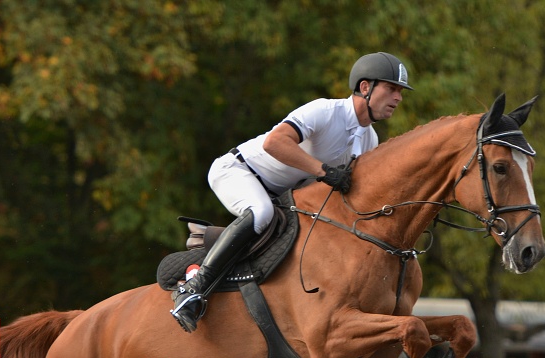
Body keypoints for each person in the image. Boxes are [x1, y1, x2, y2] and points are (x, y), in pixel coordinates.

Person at [171, 52, 414, 333]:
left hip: (282, 197)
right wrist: (323, 171)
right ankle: (193, 287)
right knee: (260, 212)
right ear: (365, 87)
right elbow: (275, 143)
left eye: (400, 91)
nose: (398, 97)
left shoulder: (369, 139)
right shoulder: (325, 111)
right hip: (239, 171)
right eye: (392, 88)